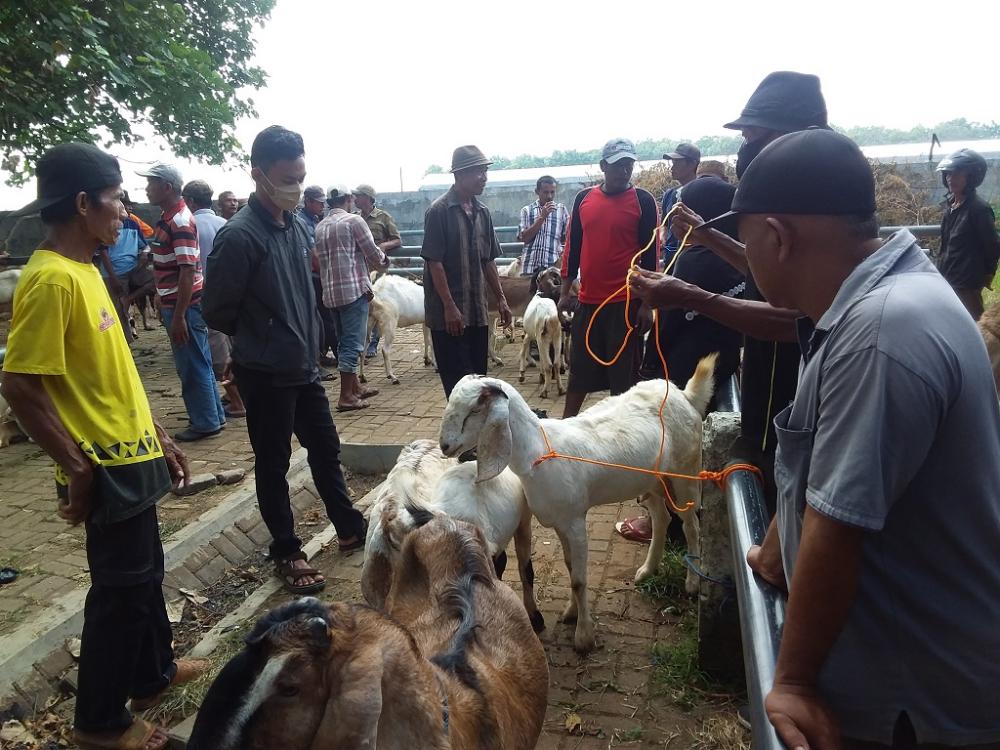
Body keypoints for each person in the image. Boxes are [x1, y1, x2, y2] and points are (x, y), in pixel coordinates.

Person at [724, 128, 1000, 750]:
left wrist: (789, 680)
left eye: (745, 240)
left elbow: (837, 522)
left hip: (917, 708)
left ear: (778, 236)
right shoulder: (867, 308)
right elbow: (820, 459)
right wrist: (773, 554)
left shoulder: (880, 333)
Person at [1, 143, 205, 750]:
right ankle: (99, 723)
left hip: (134, 453)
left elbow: (111, 373)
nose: (126, 212)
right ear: (84, 203)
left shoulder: (87, 270)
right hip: (105, 467)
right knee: (118, 594)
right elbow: (19, 383)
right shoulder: (49, 280)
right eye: (117, 199)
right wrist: (74, 465)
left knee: (145, 578)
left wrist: (161, 435)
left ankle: (151, 676)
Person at [641, 71, 828, 514]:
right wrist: (709, 237)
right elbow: (771, 276)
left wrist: (689, 296)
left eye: (754, 135)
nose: (746, 146)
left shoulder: (817, 216)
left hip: (793, 418)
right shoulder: (802, 219)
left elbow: (798, 318)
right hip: (767, 409)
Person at [202, 125, 367, 594]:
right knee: (273, 463)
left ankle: (348, 523)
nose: (296, 186)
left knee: (326, 448)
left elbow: (304, 291)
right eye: (287, 178)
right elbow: (216, 310)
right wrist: (261, 338)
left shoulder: (297, 225)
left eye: (300, 176)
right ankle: (287, 550)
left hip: (305, 366)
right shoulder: (239, 238)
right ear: (259, 175)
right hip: (267, 373)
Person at [621, 175, 745, 544]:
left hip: (680, 375)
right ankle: (686, 521)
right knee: (694, 452)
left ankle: (667, 524)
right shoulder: (740, 259)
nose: (674, 217)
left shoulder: (692, 261)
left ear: (698, 214)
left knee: (672, 451)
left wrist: (648, 367)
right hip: (718, 369)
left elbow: (668, 323)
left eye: (681, 208)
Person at [558, 137, 658, 418]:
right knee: (579, 372)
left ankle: (623, 432)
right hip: (588, 302)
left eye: (628, 165)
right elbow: (573, 247)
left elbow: (651, 256)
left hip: (625, 303)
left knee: (624, 380)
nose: (624, 171)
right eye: (617, 165)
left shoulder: (643, 201)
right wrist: (566, 292)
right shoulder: (583, 199)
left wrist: (648, 304)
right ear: (603, 166)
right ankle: (565, 426)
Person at [138, 163, 226, 442]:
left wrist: (177, 316)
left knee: (191, 364)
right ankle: (213, 417)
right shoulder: (171, 218)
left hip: (182, 305)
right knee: (199, 358)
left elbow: (188, 270)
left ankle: (205, 422)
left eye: (151, 184)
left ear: (167, 187)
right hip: (181, 303)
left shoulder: (178, 221)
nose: (147, 189)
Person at [421, 145, 512, 397]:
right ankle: (457, 436)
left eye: (484, 171)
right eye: (476, 172)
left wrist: (502, 299)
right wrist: (449, 306)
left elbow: (489, 260)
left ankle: (477, 437)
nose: (483, 177)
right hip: (449, 317)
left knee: (480, 385)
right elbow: (434, 262)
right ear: (459, 175)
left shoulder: (483, 212)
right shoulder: (439, 212)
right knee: (459, 390)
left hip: (477, 314)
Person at [314, 185, 389, 411]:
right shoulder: (354, 221)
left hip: (331, 294)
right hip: (353, 292)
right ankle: (346, 396)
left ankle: (355, 388)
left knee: (342, 339)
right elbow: (373, 253)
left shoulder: (320, 226)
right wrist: (385, 262)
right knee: (352, 344)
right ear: (348, 199)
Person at [182, 179, 246, 419]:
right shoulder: (226, 224)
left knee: (216, 348)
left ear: (189, 200)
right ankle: (235, 394)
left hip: (204, 293)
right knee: (232, 342)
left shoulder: (189, 225)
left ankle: (235, 398)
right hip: (232, 291)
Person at [935, 148, 1000, 320]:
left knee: (975, 326)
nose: (950, 178)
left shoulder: (979, 209)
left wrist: (987, 274)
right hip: (946, 278)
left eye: (957, 174)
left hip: (967, 283)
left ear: (972, 177)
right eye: (948, 174)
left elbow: (992, 246)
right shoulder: (950, 206)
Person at [352, 183, 402, 359]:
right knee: (362, 307)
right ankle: (363, 342)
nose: (354, 199)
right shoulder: (353, 218)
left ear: (367, 197)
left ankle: (373, 343)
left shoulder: (383, 217)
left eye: (357, 196)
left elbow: (397, 239)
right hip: (359, 271)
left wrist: (382, 246)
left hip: (378, 271)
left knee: (378, 306)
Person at [296, 185, 338, 374]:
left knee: (323, 318)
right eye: (319, 203)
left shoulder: (313, 219)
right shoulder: (302, 222)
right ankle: (318, 362)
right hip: (312, 277)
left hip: (316, 275)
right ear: (309, 201)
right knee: (319, 319)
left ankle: (322, 356)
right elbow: (314, 254)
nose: (322, 206)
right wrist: (326, 274)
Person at [95, 204, 149, 343]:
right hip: (114, 271)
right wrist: (113, 277)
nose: (127, 210)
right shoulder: (107, 226)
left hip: (132, 268)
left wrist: (145, 253)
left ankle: (129, 298)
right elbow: (103, 252)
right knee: (118, 312)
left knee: (156, 280)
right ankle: (125, 342)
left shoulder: (133, 224)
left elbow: (145, 245)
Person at [517, 175, 570, 277]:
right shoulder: (527, 211)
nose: (549, 196)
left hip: (553, 269)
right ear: (537, 191)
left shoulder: (562, 210)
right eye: (546, 192)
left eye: (552, 192)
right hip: (529, 268)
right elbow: (523, 238)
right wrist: (542, 217)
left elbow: (567, 238)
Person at [660, 143, 701, 267]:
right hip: (671, 259)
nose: (672, 168)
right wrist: (663, 236)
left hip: (694, 262)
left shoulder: (702, 193)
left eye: (677, 163)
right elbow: (664, 225)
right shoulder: (670, 194)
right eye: (672, 163)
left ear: (692, 164)